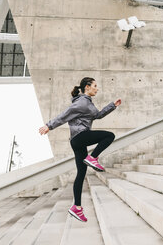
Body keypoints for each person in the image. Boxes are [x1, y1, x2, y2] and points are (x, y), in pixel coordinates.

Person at [38, 77, 121, 222]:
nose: (97, 88)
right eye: (95, 86)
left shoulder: (87, 103)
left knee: (81, 173)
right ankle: (93, 158)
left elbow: (98, 115)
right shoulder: (82, 102)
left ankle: (76, 207)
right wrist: (49, 126)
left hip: (77, 141)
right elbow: (64, 116)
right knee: (109, 136)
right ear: (87, 87)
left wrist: (112, 106)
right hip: (80, 136)